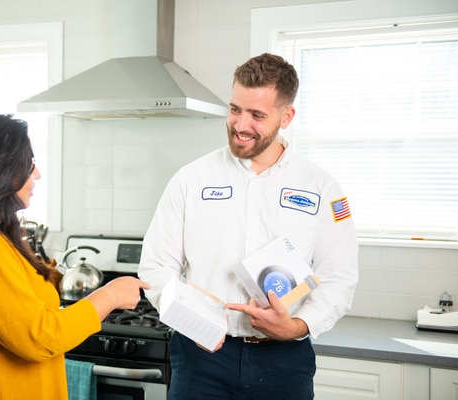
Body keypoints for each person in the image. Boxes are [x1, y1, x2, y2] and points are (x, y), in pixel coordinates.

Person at [138, 53, 358, 399]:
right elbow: (155, 265)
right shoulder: (190, 179)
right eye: (235, 109)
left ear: (287, 116)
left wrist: (295, 326)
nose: (240, 125)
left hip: (284, 361)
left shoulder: (322, 188)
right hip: (201, 358)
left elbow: (339, 277)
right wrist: (190, 319)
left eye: (257, 115)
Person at [0, 112, 149, 400]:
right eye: (28, 164)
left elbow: (19, 299)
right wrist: (110, 296)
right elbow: (40, 336)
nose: (37, 174)